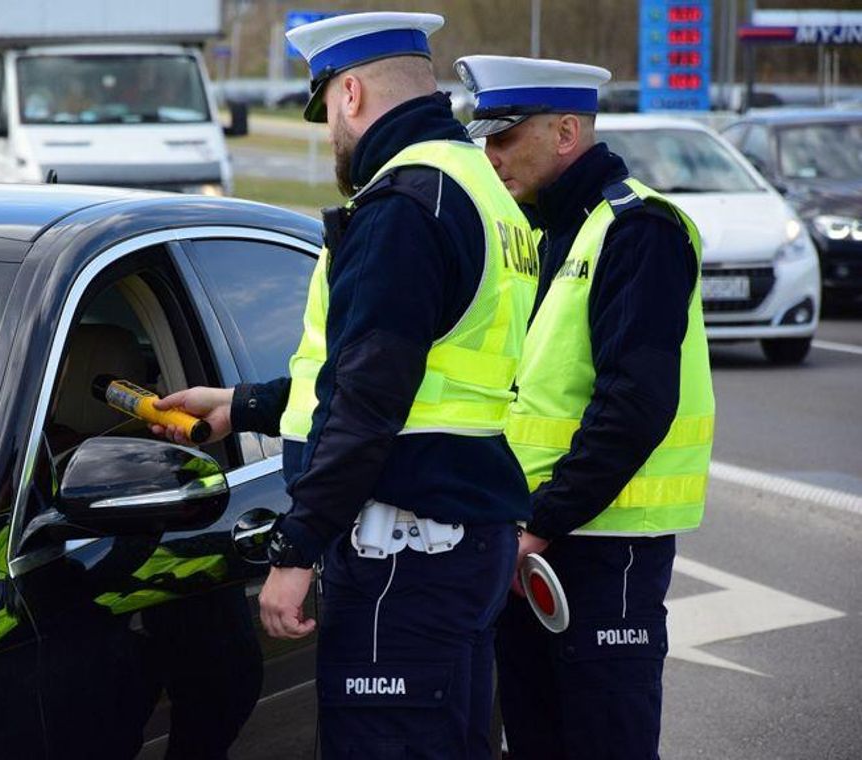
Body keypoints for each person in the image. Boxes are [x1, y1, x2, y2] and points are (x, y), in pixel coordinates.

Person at [152, 12, 539, 758]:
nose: (331, 130)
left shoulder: (403, 207)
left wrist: (295, 552)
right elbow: (396, 370)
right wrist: (240, 406)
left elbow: (368, 401)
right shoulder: (475, 189)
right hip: (459, 543)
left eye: (328, 107)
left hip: (404, 550)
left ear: (352, 93)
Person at [454, 55, 715, 759]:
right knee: (537, 739)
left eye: (505, 136)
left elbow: (635, 403)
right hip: (533, 542)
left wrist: (540, 522)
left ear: (566, 132)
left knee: (606, 741)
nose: (490, 153)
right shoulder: (542, 234)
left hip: (604, 547)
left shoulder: (638, 230)